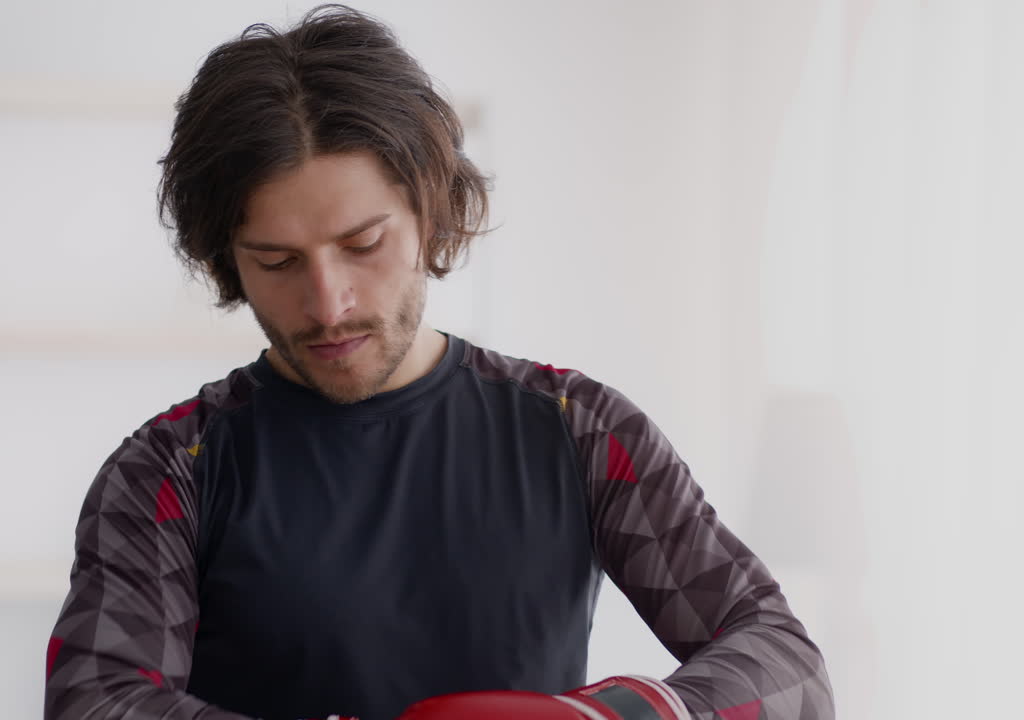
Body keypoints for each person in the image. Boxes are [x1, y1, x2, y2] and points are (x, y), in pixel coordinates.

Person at [43, 5, 834, 719]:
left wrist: (611, 717)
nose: (329, 304)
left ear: (431, 213)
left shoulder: (579, 430)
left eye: (364, 244)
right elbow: (97, 701)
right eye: (277, 261)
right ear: (228, 262)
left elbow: (786, 665)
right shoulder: (170, 470)